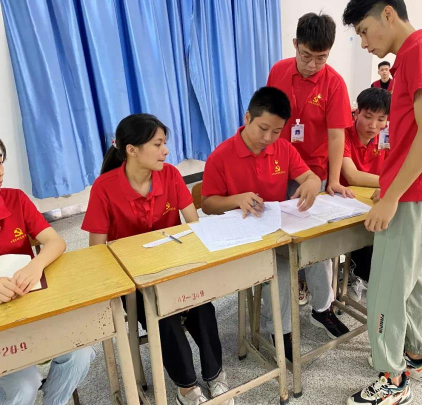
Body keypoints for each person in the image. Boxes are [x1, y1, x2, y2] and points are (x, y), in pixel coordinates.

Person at [343, 0, 422, 404]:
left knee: (387, 290)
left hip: (414, 195)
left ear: (388, 14)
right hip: (420, 191)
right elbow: (415, 135)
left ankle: (392, 379)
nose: (363, 43)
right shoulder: (418, 54)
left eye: (363, 30)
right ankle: (416, 356)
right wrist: (390, 183)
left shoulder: (419, 53)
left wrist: (393, 195)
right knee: (409, 285)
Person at [81, 114, 232, 405]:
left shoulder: (171, 175)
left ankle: (215, 376)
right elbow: (96, 252)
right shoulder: (104, 187)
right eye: (158, 144)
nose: (166, 150)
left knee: (202, 306)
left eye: (165, 143)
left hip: (176, 268)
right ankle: (187, 388)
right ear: (131, 150)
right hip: (136, 281)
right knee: (163, 316)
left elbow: (194, 226)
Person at [201, 87, 347, 361]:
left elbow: (308, 176)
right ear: (247, 117)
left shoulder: (283, 149)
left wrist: (312, 184)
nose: (268, 138)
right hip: (249, 237)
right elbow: (208, 203)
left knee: (319, 254)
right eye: (263, 128)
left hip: (280, 229)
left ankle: (322, 310)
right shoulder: (221, 156)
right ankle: (282, 331)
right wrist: (236, 199)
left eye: (277, 131)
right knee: (280, 273)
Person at [266, 12, 354, 314]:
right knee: (278, 237)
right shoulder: (278, 71)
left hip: (312, 172)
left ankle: (322, 306)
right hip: (276, 167)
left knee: (315, 241)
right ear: (295, 44)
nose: (313, 65)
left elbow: (336, 136)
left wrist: (333, 180)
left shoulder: (335, 84)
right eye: (306, 56)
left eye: (321, 58)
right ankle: (283, 303)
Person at [0, 139, 95, 405]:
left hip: (28, 305)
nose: (0, 170)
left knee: (80, 352)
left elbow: (56, 241)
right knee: (24, 384)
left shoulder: (14, 199)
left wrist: (36, 264)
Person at [340, 88, 390, 290]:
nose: (373, 125)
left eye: (381, 119)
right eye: (368, 117)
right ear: (356, 113)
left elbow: (398, 168)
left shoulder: (386, 136)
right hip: (346, 203)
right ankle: (355, 273)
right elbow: (352, 176)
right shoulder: (343, 135)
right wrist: (388, 183)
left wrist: (390, 185)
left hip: (372, 201)